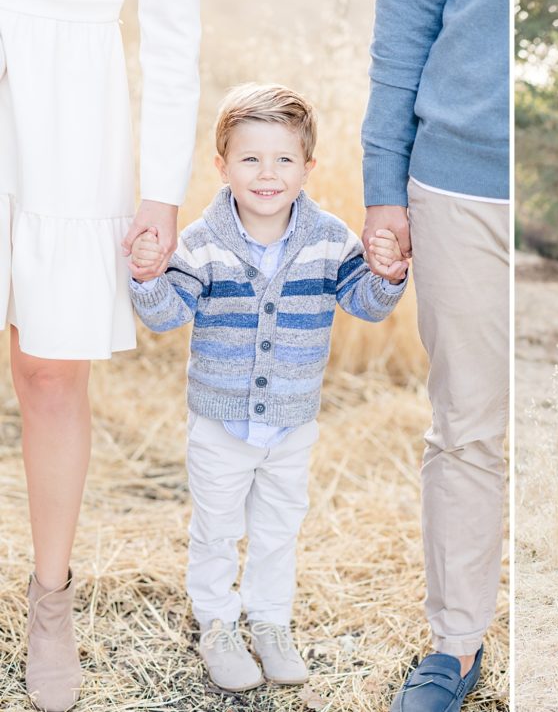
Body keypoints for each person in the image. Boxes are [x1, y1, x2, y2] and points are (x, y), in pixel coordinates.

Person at [129, 83, 408, 691]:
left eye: (284, 159)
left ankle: (270, 623)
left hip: (291, 422)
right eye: (250, 159)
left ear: (309, 166)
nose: (267, 174)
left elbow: (365, 303)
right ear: (221, 165)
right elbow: (165, 314)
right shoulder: (201, 244)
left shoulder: (330, 238)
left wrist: (387, 274)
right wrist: (148, 278)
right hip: (219, 423)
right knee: (217, 530)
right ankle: (218, 625)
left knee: (280, 529)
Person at [0, 0, 199, 708]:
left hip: (77, 109)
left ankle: (51, 601)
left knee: (51, 369)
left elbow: (174, 29)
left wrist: (162, 190)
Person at [359, 0, 509, 710]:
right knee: (466, 424)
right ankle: (456, 646)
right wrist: (383, 180)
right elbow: (405, 20)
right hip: (460, 177)